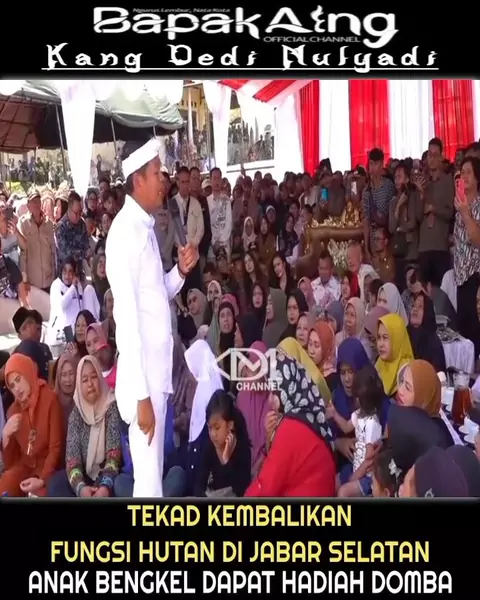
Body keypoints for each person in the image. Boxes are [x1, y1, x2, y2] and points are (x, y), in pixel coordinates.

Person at [105, 139, 198, 497]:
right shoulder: (124, 233)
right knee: (147, 486)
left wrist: (181, 271)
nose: (164, 180)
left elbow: (156, 295)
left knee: (153, 480)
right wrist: (142, 396)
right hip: (143, 380)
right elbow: (127, 318)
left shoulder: (142, 228)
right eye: (158, 173)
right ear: (138, 179)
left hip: (157, 376)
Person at [245, 350, 335, 497]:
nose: (270, 400)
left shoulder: (291, 428)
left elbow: (266, 487)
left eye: (274, 392)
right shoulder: (308, 415)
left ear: (288, 388)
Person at [47, 356, 121, 497]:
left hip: (109, 476)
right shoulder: (76, 414)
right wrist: (80, 488)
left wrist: (105, 486)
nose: (90, 384)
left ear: (100, 378)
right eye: (85, 380)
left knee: (120, 485)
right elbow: (72, 459)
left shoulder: (111, 406)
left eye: (94, 377)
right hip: (84, 477)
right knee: (56, 483)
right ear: (79, 385)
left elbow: (114, 455)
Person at [0, 353, 64, 496]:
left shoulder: (50, 399)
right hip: (24, 468)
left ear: (27, 373)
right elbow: (10, 464)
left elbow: (55, 448)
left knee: (39, 494)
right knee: (4, 487)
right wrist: (6, 436)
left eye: (18, 380)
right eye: (12, 386)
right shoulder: (13, 411)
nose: (17, 389)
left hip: (47, 469)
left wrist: (42, 479)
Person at [330, 365, 384, 497]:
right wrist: (333, 413)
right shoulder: (359, 413)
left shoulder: (372, 424)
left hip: (367, 476)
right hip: (356, 466)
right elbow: (346, 427)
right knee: (331, 483)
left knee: (343, 493)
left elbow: (369, 460)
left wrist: (355, 476)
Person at [194, 390, 251, 497]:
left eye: (217, 428)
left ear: (230, 425)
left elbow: (242, 491)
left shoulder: (242, 448)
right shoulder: (208, 445)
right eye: (209, 428)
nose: (213, 434)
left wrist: (226, 461)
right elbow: (199, 486)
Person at [47, 257, 83, 344]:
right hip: (59, 331)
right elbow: (62, 306)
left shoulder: (78, 285)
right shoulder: (56, 285)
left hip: (74, 328)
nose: (67, 275)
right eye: (65, 271)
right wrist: (73, 288)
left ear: (74, 273)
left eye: (70, 271)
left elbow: (80, 307)